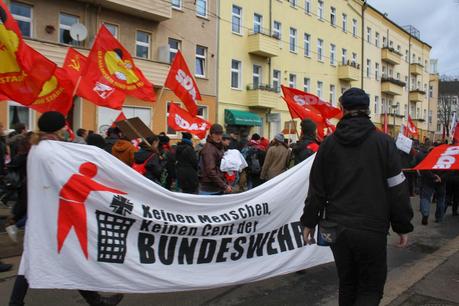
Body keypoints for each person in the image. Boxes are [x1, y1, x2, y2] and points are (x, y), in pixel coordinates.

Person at [301, 88, 413, 306]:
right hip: (372, 229)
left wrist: (308, 222)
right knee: (370, 288)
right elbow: (397, 188)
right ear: (368, 110)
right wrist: (402, 225)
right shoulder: (384, 143)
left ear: (342, 109)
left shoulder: (329, 144)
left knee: (348, 284)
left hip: (338, 229)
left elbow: (316, 188)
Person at [8, 111, 123, 306]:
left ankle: (95, 300)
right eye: (63, 126)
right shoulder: (49, 151)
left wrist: (17, 213)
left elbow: (31, 185)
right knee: (68, 253)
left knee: (58, 256)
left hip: (46, 215)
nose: (65, 129)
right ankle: (96, 301)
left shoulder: (39, 148)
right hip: (52, 215)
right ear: (58, 128)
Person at [199, 124, 231, 195]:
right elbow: (210, 171)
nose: (219, 137)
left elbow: (220, 166)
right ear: (211, 134)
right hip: (209, 188)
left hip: (216, 186)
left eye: (220, 134)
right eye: (216, 134)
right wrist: (224, 186)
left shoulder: (218, 147)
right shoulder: (209, 149)